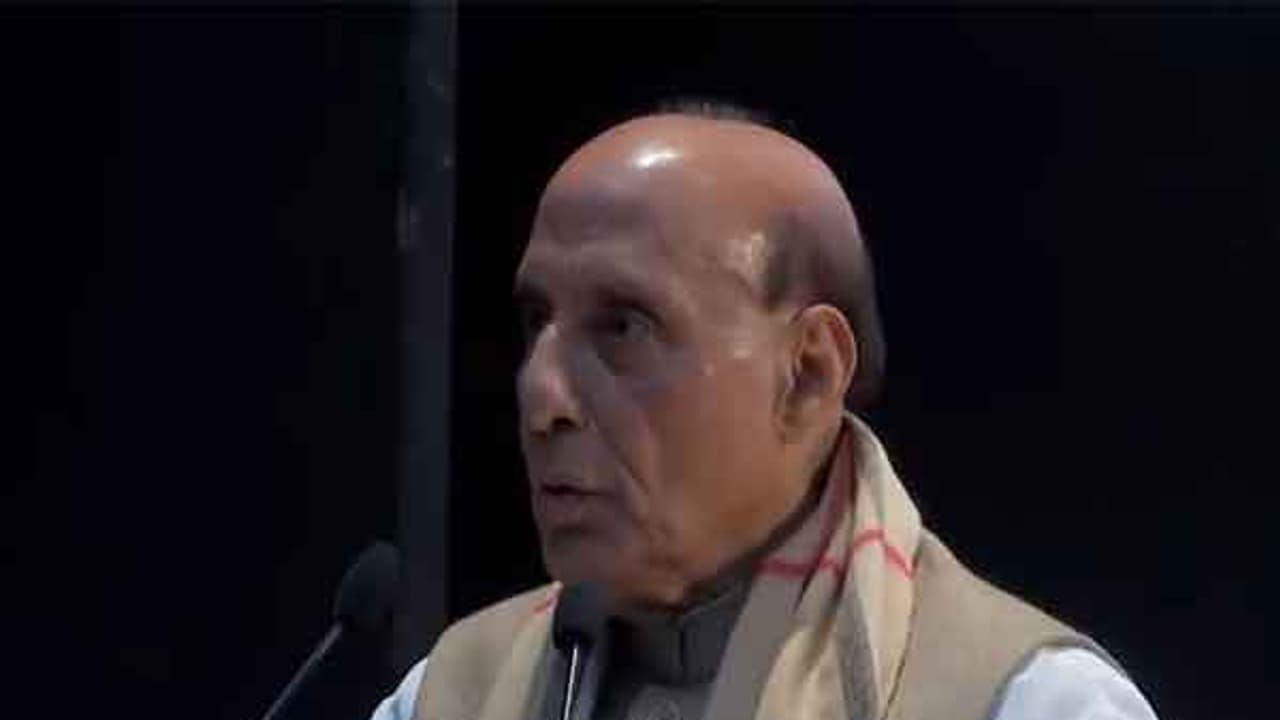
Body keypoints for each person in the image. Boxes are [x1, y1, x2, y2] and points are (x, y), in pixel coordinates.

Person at [372, 105, 1159, 720]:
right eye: (535, 322)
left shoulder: (1023, 702)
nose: (542, 396)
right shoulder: (449, 695)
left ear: (808, 376)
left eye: (623, 327)